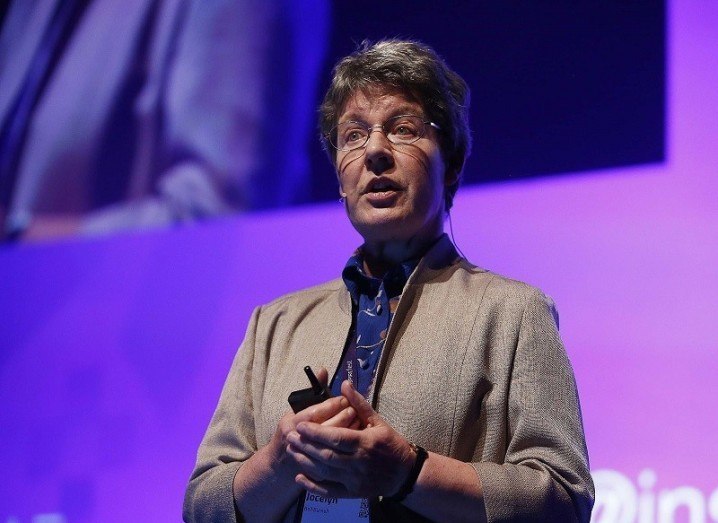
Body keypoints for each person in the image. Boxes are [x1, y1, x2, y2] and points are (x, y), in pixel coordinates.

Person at [183, 39, 594, 522]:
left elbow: (564, 498)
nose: (375, 150)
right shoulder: (273, 324)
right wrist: (279, 459)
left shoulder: (512, 313)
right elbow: (201, 505)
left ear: (452, 164)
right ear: (339, 178)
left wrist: (407, 471)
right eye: (353, 135)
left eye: (403, 129)